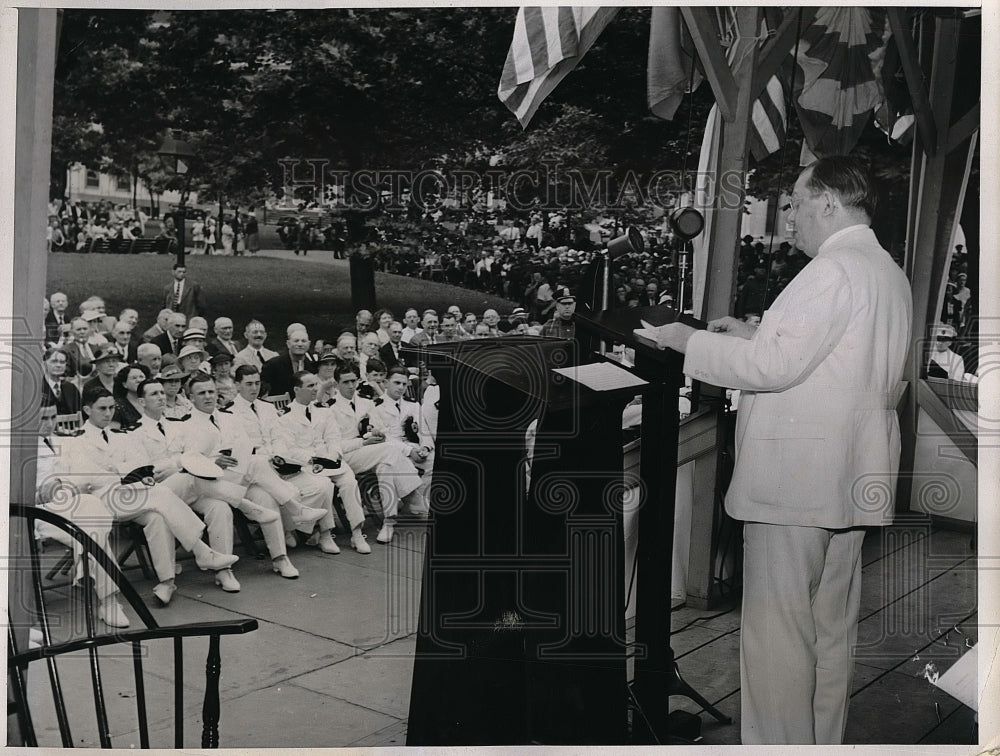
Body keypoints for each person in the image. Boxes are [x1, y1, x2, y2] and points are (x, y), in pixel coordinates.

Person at [638, 156, 911, 745]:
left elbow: (774, 369)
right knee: (829, 632)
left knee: (777, 638)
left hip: (795, 481)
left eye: (795, 203)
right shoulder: (885, 269)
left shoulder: (831, 270)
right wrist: (753, 335)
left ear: (829, 203)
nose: (788, 219)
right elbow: (836, 362)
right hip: (849, 476)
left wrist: (690, 340)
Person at [60, 385, 240, 606]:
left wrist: (118, 471)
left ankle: (167, 581)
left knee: (158, 517)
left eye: (110, 408)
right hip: (101, 501)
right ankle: (202, 551)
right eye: (102, 409)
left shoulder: (119, 435)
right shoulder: (77, 440)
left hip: (129, 494)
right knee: (160, 494)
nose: (108, 414)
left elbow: (138, 463)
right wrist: (119, 470)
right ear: (88, 410)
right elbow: (87, 477)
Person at [278, 370, 372, 554]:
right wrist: (312, 460)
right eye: (310, 386)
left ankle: (357, 532)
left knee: (349, 481)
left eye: (316, 384)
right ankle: (326, 534)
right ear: (297, 389)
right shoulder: (285, 416)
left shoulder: (323, 410)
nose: (315, 389)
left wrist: (333, 454)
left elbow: (333, 437)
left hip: (329, 459)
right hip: (307, 464)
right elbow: (289, 448)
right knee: (325, 485)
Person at [261, 327, 317, 397]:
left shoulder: (313, 367)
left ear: (308, 344)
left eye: (303, 341)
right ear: (288, 344)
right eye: (296, 341)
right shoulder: (272, 365)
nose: (300, 344)